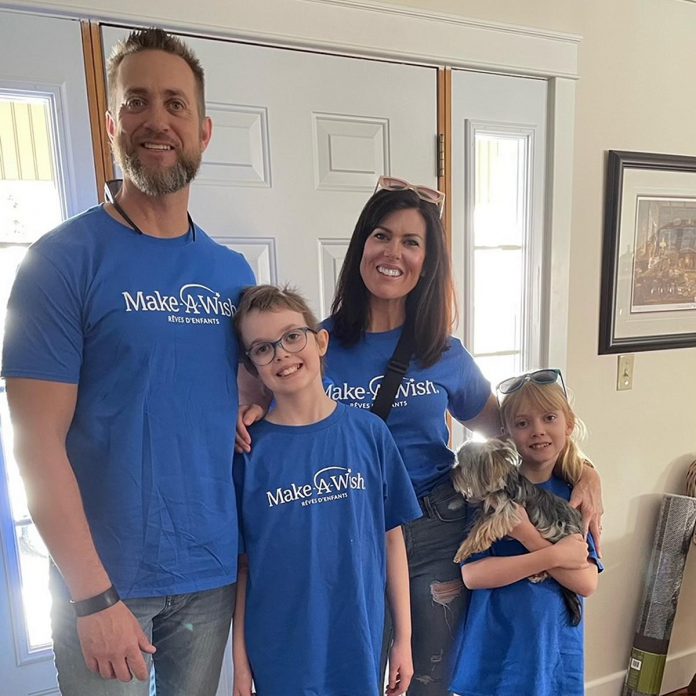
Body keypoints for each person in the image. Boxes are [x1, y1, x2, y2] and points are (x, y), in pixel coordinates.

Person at [236, 178, 603, 694]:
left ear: (428, 261)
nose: (394, 253)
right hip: (347, 528)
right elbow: (263, 416)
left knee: (427, 680)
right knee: (354, 674)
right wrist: (241, 414)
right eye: (382, 236)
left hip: (436, 528)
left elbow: (520, 433)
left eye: (412, 242)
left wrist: (585, 470)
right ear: (362, 245)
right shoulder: (314, 344)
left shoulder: (443, 353)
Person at [1, 28, 258, 696]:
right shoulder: (61, 261)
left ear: (203, 132)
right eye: (137, 102)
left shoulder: (232, 273)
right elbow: (34, 444)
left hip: (208, 575)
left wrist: (249, 405)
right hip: (107, 583)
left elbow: (238, 390)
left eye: (175, 105)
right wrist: (91, 598)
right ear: (112, 123)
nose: (157, 120)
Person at [231, 285, 421, 696]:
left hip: (359, 638)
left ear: (320, 341)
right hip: (280, 649)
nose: (281, 353)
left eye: (292, 336)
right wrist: (240, 664)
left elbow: (392, 540)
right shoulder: (249, 452)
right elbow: (244, 567)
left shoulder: (370, 433)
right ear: (252, 366)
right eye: (263, 348)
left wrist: (403, 639)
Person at [449, 368, 602, 696]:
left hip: (551, 650)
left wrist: (529, 537)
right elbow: (473, 575)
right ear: (506, 431)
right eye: (522, 423)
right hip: (495, 647)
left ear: (568, 424)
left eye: (549, 418)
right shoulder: (489, 491)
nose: (538, 431)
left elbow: (587, 582)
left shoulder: (575, 496)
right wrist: (552, 555)